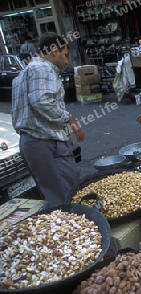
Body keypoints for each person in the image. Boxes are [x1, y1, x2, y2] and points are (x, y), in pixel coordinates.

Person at [11, 32, 85, 207]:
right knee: (67, 194)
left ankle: (72, 227)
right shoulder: (43, 69)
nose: (66, 61)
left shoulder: (23, 73)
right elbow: (41, 101)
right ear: (53, 51)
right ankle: (78, 229)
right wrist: (70, 120)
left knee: (55, 193)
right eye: (65, 55)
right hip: (45, 144)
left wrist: (63, 134)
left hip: (33, 142)